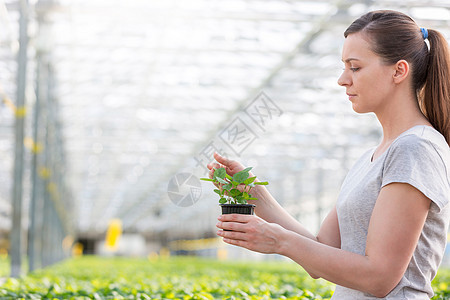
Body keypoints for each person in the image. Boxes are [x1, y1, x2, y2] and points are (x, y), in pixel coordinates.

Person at [207, 10, 450, 299]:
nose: (342, 79)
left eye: (355, 67)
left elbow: (380, 277)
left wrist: (278, 240)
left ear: (399, 71)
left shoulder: (415, 148)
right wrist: (255, 196)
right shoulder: (371, 158)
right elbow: (323, 248)